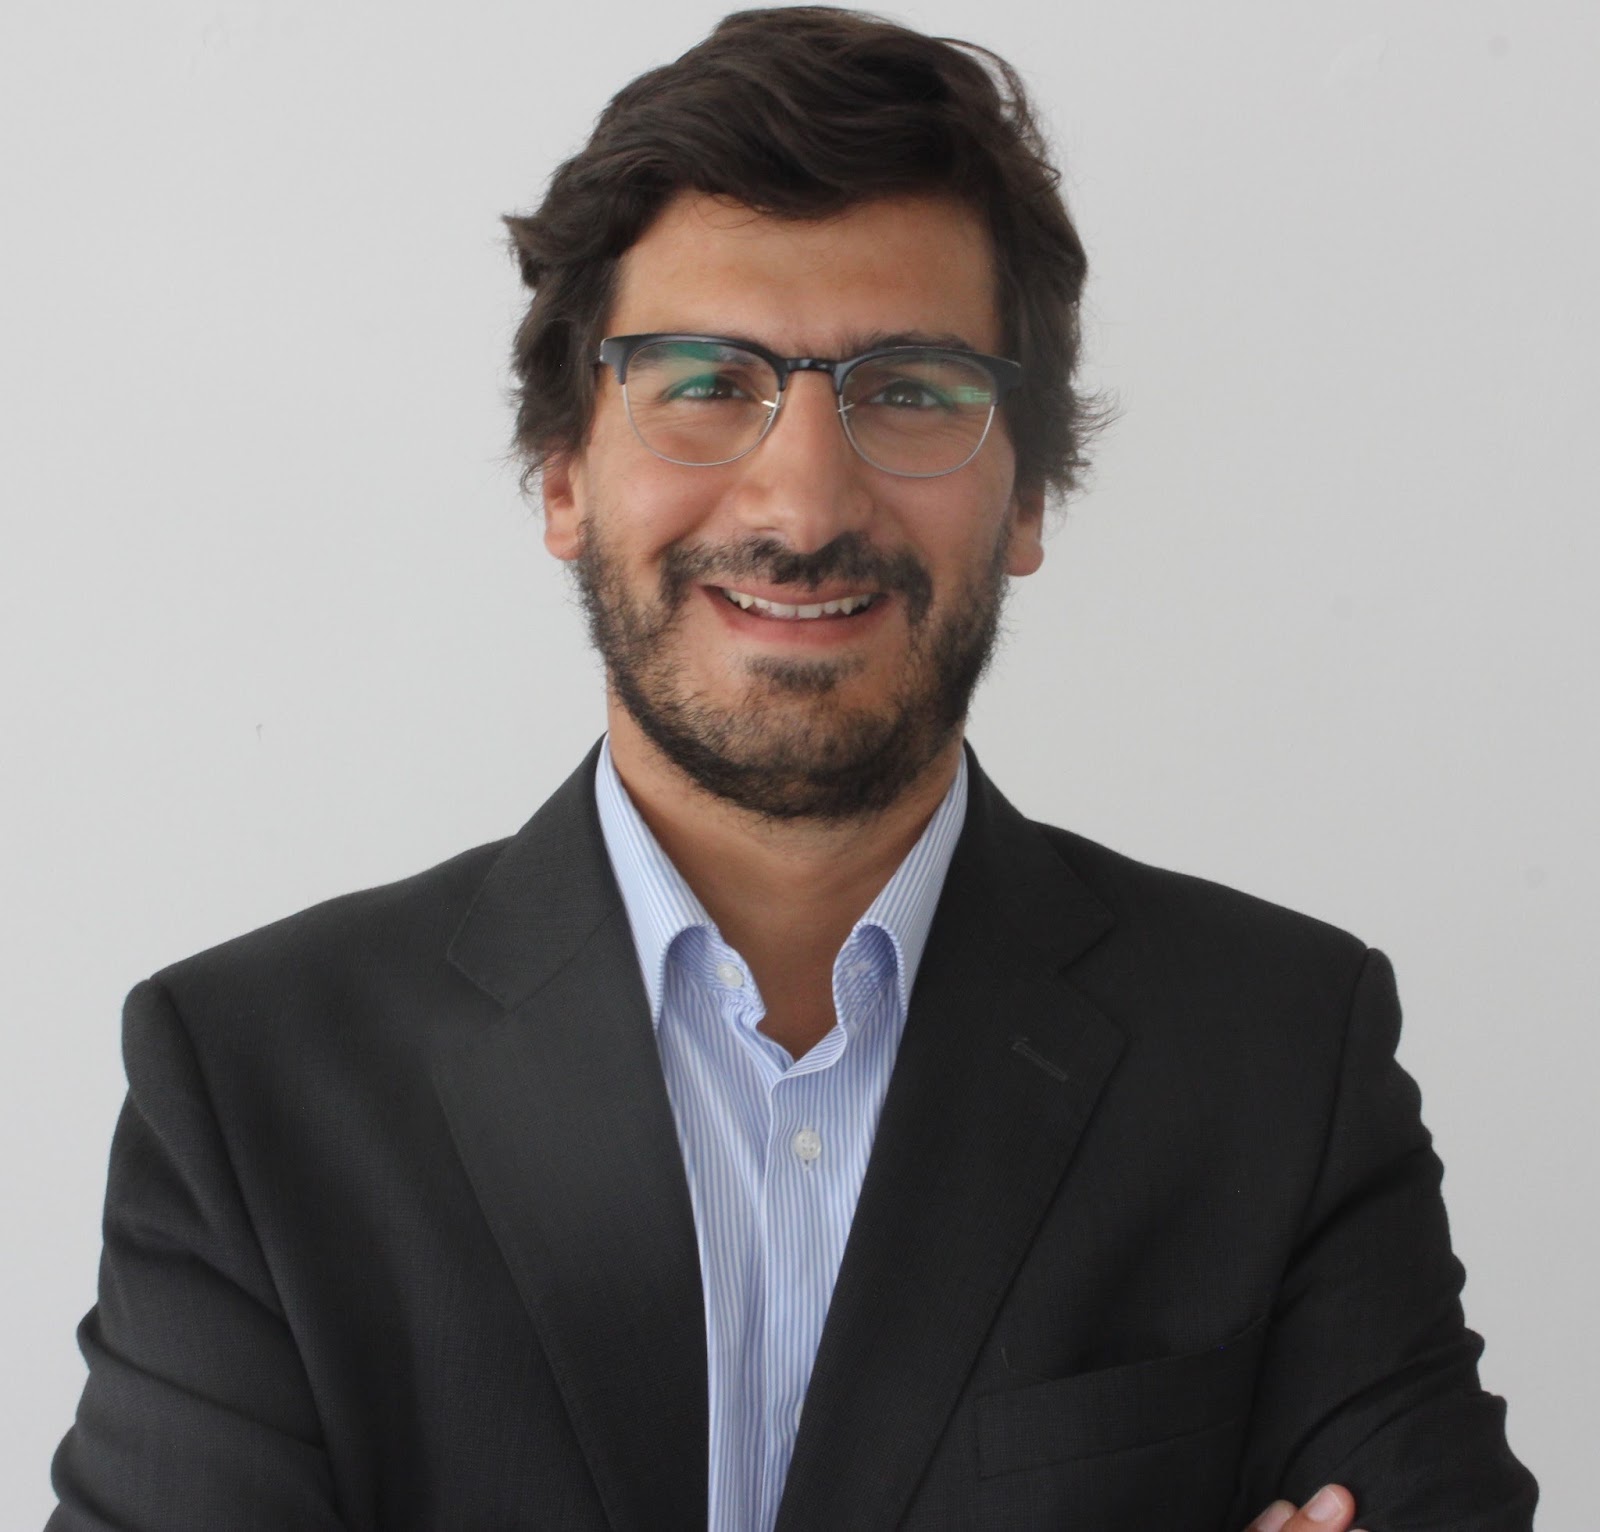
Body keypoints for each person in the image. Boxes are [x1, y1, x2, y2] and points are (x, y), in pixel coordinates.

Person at [48, 8, 1536, 1530]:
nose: (805, 503)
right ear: (563, 476)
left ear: (1028, 498)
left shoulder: (1278, 1060)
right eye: (705, 381)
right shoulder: (254, 1088)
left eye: (913, 389)